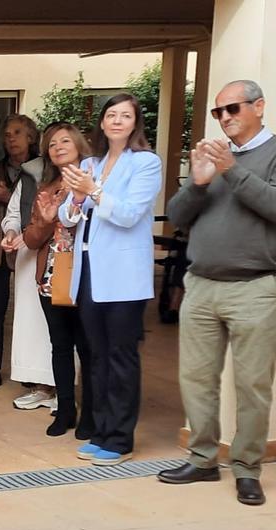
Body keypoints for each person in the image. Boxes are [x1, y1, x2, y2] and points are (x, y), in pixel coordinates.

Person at [158, 80, 276, 506]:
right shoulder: (211, 158)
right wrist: (200, 183)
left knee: (253, 385)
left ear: (259, 107)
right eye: (218, 112)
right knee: (196, 379)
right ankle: (203, 460)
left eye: (233, 109)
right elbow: (176, 216)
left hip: (256, 287)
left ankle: (246, 469)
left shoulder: (269, 153)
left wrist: (231, 170)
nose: (225, 118)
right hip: (202, 283)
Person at [59, 94, 162, 466]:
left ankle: (120, 438)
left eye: (125, 115)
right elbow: (69, 217)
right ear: (101, 123)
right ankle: (101, 430)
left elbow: (130, 214)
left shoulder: (146, 163)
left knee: (120, 356)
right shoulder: (90, 163)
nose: (117, 121)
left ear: (135, 123)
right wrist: (73, 199)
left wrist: (94, 191)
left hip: (123, 277)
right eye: (111, 115)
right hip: (88, 273)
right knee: (95, 355)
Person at [13, 123, 97, 438]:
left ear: (79, 144)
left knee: (87, 347)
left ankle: (89, 413)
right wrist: (47, 222)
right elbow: (32, 239)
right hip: (52, 274)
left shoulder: (95, 182)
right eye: (51, 143)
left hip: (86, 273)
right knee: (60, 346)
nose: (58, 146)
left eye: (64, 140)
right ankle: (65, 410)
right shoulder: (45, 189)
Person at [0, 115, 47, 398]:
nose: (10, 138)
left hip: (30, 249)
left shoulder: (41, 171)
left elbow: (40, 206)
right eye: (6, 134)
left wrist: (7, 196)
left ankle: (30, 370)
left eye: (17, 133)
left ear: (31, 138)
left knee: (31, 314)